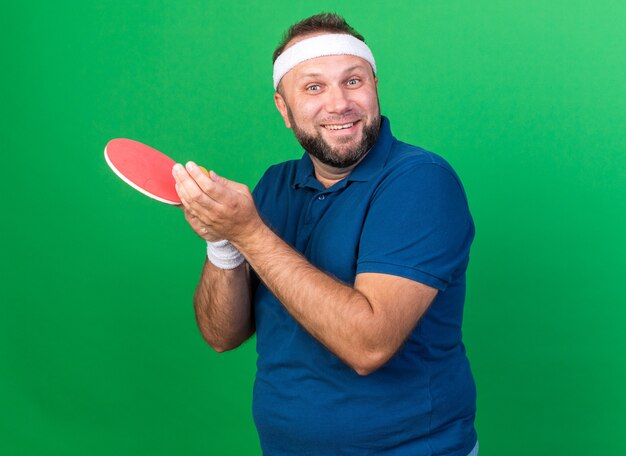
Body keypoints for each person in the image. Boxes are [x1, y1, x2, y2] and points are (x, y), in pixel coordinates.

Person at [172, 13, 478, 456]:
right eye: (314, 87)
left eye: (352, 81)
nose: (339, 104)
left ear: (375, 86)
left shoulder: (420, 181)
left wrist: (248, 232)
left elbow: (368, 345)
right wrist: (223, 244)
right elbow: (222, 335)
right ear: (284, 108)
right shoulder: (273, 187)